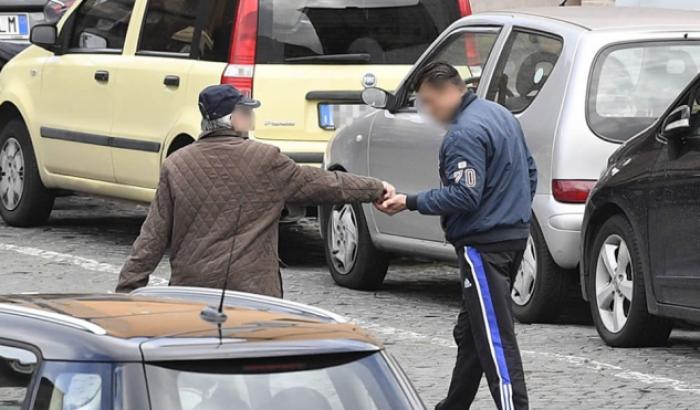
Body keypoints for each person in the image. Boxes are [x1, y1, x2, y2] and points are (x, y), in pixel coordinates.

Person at [116, 84, 394, 297]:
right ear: (233, 118)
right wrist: (376, 188)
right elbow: (326, 184)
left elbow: (152, 236)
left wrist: (127, 289)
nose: (251, 119)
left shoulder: (175, 165)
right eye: (247, 113)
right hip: (253, 293)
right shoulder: (265, 159)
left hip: (193, 289)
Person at [376, 62, 537, 410]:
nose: (429, 112)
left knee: (494, 338)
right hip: (513, 237)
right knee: (472, 333)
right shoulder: (501, 115)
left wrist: (410, 201)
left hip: (483, 245)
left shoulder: (465, 132)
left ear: (448, 91)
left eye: (429, 103)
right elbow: (530, 172)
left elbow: (464, 195)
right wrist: (514, 213)